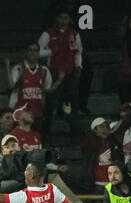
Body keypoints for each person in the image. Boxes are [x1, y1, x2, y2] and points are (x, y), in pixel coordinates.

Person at [38, 8, 83, 143]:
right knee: (50, 106)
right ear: (57, 19)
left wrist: (79, 66)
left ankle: (75, 136)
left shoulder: (74, 34)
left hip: (69, 75)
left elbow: (78, 52)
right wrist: (51, 51)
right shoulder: (48, 33)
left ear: (69, 19)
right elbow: (38, 51)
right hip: (53, 74)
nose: (63, 20)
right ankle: (45, 136)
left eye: (66, 17)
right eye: (61, 17)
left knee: (71, 106)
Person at [5, 43, 62, 131]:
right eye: (30, 50)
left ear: (39, 53)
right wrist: (7, 67)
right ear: (26, 52)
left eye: (35, 50)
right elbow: (10, 86)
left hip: (37, 112)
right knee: (20, 140)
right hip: (20, 112)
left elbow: (48, 90)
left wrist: (60, 80)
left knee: (36, 141)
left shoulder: (44, 71)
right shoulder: (18, 69)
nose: (33, 53)